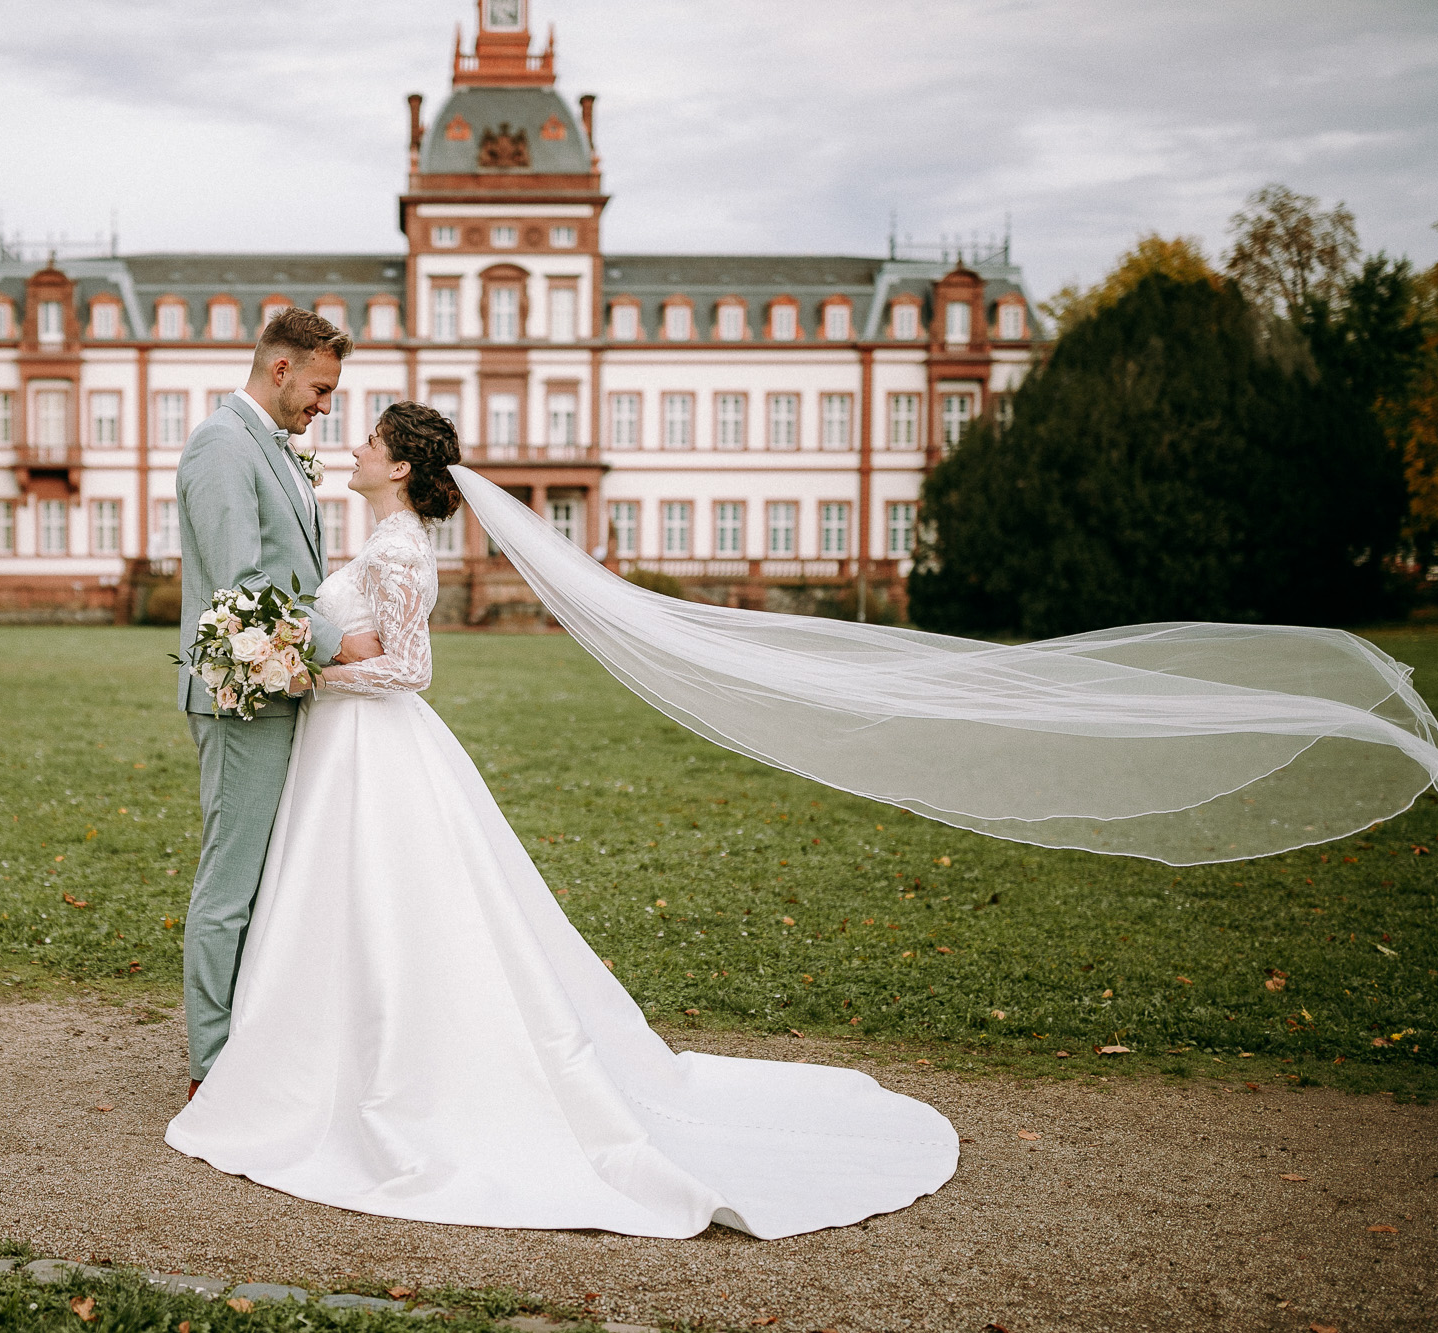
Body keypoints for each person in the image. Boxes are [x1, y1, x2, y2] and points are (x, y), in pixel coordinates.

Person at [165, 402, 959, 1240]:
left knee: (383, 896)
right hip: (347, 750)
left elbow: (412, 669)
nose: (354, 448)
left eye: (370, 441)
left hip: (370, 738)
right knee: (338, 899)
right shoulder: (380, 542)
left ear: (400, 467)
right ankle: (317, 1047)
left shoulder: (399, 550)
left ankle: (377, 1060)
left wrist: (311, 679)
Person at [174, 308, 382, 1103]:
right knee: (231, 883)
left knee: (271, 878)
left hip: (278, 687)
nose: (324, 406)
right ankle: (211, 1067)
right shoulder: (222, 444)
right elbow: (241, 583)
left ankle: (251, 1040)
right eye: (321, 388)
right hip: (239, 698)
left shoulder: (272, 446)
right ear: (281, 367)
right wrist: (339, 642)